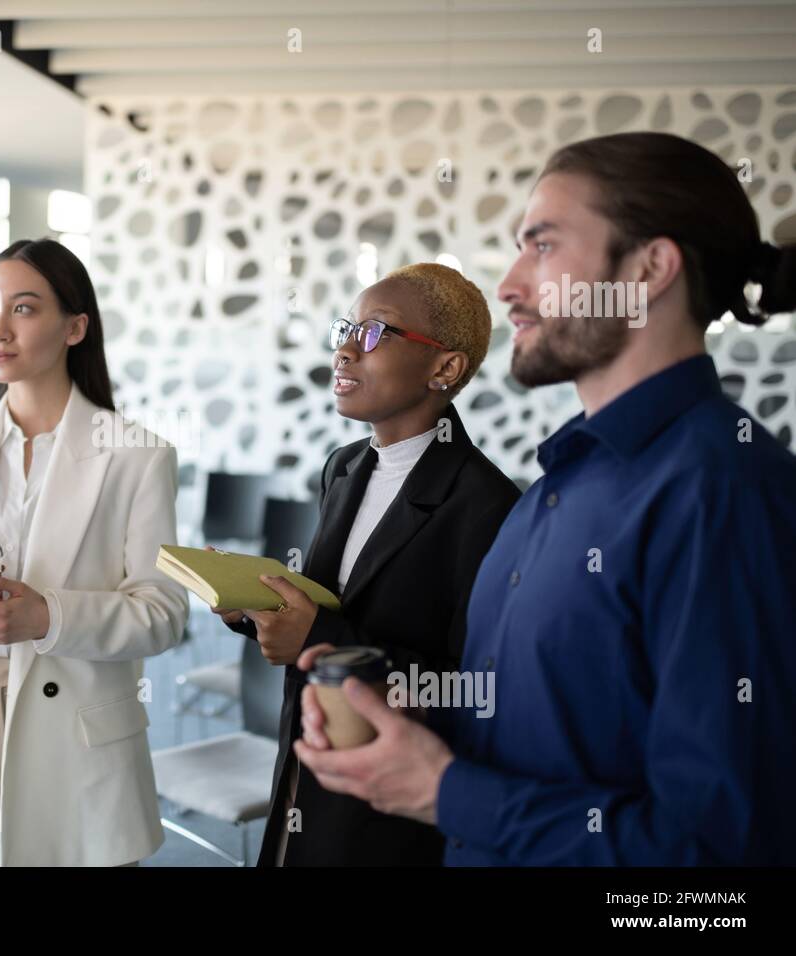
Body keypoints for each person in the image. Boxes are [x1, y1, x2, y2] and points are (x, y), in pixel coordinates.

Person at [295, 131, 796, 865]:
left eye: (544, 246)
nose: (508, 285)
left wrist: (445, 792)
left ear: (650, 267)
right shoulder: (557, 486)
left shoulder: (725, 492)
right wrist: (407, 707)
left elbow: (721, 859)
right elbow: (546, 716)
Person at [212, 262, 520, 865]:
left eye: (376, 332)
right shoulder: (345, 466)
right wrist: (255, 605)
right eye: (345, 328)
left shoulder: (489, 506)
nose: (347, 350)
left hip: (385, 808)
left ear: (445, 367)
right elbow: (334, 604)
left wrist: (318, 636)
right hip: (304, 758)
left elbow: (475, 692)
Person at [0, 238, 189, 866]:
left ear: (75, 326)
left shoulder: (138, 456)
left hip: (81, 739)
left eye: (24, 309)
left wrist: (47, 617)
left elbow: (164, 612)